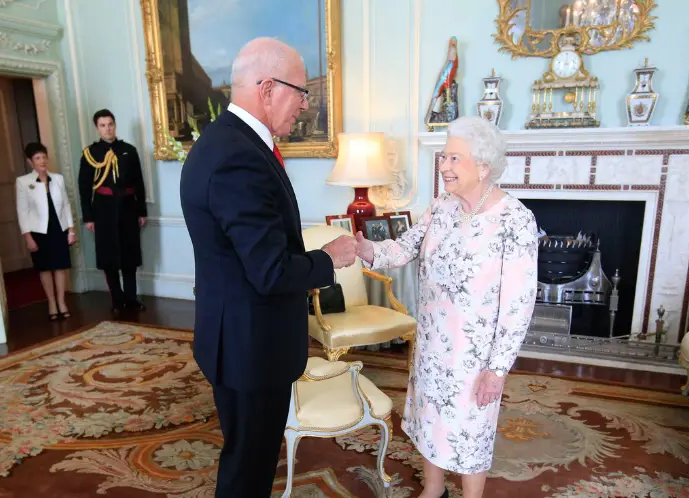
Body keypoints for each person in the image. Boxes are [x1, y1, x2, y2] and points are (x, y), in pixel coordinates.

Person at [180, 37, 357, 497]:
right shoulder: (238, 156)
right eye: (300, 92)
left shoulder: (228, 142)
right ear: (266, 88)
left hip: (239, 336)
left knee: (249, 459)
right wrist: (329, 259)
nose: (304, 104)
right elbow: (270, 271)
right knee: (248, 468)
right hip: (248, 347)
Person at [355, 115, 539, 498]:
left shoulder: (515, 220)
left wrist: (497, 368)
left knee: (471, 429)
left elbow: (518, 304)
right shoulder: (441, 206)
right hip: (433, 341)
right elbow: (404, 247)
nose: (444, 166)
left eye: (455, 158)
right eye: (444, 157)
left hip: (475, 353)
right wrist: (367, 250)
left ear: (483, 166)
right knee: (430, 418)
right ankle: (434, 489)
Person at [77, 109, 148, 315]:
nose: (107, 129)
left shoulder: (129, 150)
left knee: (129, 255)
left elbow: (139, 182)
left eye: (110, 124)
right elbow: (84, 187)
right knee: (110, 257)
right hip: (104, 208)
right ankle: (117, 299)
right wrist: (88, 217)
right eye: (103, 125)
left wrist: (141, 210)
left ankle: (131, 298)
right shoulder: (90, 154)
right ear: (97, 128)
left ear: (115, 125)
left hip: (127, 206)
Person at [15, 142, 76, 320]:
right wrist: (28, 237)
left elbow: (66, 204)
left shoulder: (57, 179)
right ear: (30, 161)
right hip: (39, 231)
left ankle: (62, 301)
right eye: (37, 158)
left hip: (59, 228)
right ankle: (51, 302)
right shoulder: (23, 182)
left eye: (44, 157)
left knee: (60, 266)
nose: (42, 161)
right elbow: (22, 211)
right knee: (44, 268)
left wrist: (71, 230)